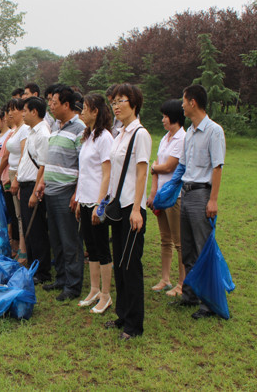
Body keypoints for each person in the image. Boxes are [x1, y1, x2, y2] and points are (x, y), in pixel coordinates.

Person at [171, 84, 226, 320]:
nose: (182, 105)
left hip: (202, 194)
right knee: (188, 248)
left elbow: (217, 167)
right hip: (186, 193)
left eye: (183, 100)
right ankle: (190, 295)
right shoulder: (190, 132)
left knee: (203, 249)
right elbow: (183, 165)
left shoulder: (214, 131)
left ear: (192, 102)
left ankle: (209, 304)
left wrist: (213, 200)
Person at [103, 83, 152, 340]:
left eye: (121, 100)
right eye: (114, 101)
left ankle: (134, 326)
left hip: (132, 209)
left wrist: (136, 209)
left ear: (134, 103)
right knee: (120, 265)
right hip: (118, 207)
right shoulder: (120, 133)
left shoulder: (140, 134)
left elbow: (142, 173)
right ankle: (122, 315)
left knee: (131, 266)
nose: (116, 106)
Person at [37, 85, 86, 301]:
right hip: (51, 191)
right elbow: (51, 159)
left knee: (70, 241)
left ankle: (73, 286)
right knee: (56, 239)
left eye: (54, 103)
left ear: (67, 105)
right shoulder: (56, 127)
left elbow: (84, 165)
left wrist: (77, 193)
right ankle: (61, 278)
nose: (51, 106)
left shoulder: (80, 129)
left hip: (67, 192)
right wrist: (43, 182)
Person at [75, 93, 114, 313]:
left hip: (97, 202)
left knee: (102, 248)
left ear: (95, 111)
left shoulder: (105, 138)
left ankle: (106, 295)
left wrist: (100, 205)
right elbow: (85, 172)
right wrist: (79, 200)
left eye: (85, 108)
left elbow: (107, 173)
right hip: (85, 199)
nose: (81, 112)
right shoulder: (89, 136)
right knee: (91, 248)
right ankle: (94, 290)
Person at [147, 99, 186, 297]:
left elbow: (170, 166)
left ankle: (182, 283)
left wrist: (154, 167)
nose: (162, 120)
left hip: (175, 196)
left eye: (165, 116)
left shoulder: (182, 139)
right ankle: (165, 279)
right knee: (165, 239)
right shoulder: (165, 138)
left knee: (179, 242)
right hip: (161, 195)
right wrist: (153, 192)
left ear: (174, 117)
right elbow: (157, 166)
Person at [15, 96, 52, 283]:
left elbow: (44, 165)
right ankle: (32, 267)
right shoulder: (31, 131)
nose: (22, 114)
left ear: (34, 112)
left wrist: (35, 191)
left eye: (25, 110)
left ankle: (42, 272)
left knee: (37, 231)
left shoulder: (43, 134)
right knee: (29, 232)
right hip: (25, 185)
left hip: (34, 186)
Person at [0, 98, 29, 265]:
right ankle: (21, 248)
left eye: (13, 109)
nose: (9, 113)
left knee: (21, 215)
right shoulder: (15, 131)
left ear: (22, 111)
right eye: (8, 110)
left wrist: (15, 177)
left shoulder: (24, 130)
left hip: (19, 175)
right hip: (13, 173)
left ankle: (24, 250)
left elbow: (23, 155)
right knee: (17, 215)